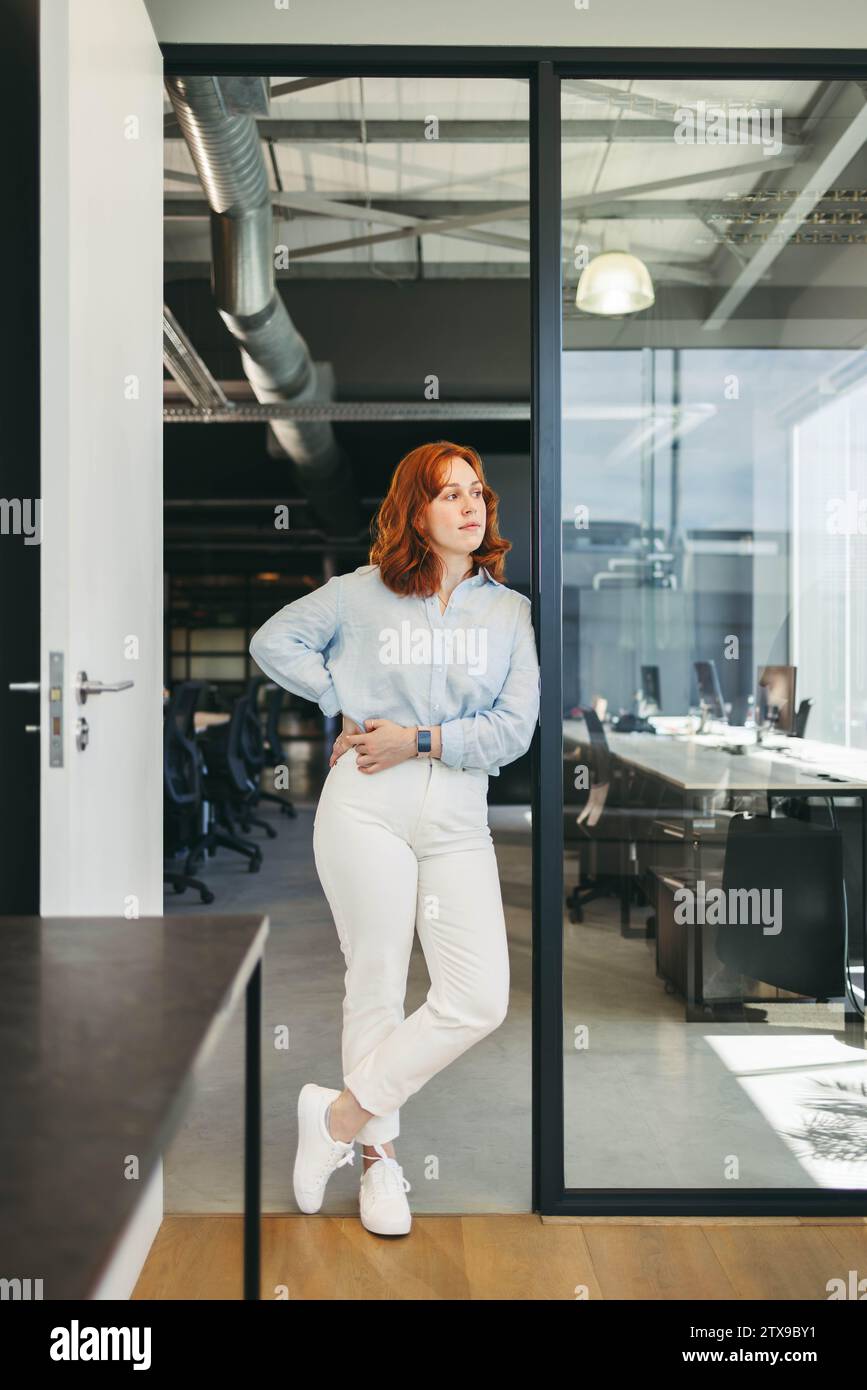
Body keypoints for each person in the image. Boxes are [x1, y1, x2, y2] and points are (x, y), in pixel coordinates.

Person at [248, 441, 540, 1236]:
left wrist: (420, 740)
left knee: (476, 997)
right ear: (415, 511)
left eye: (476, 491)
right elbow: (273, 642)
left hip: (454, 819)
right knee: (374, 981)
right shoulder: (359, 595)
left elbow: (513, 730)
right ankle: (379, 1169)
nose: (470, 506)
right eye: (448, 495)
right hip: (365, 809)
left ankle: (336, 1119)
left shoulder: (506, 613)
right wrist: (341, 701)